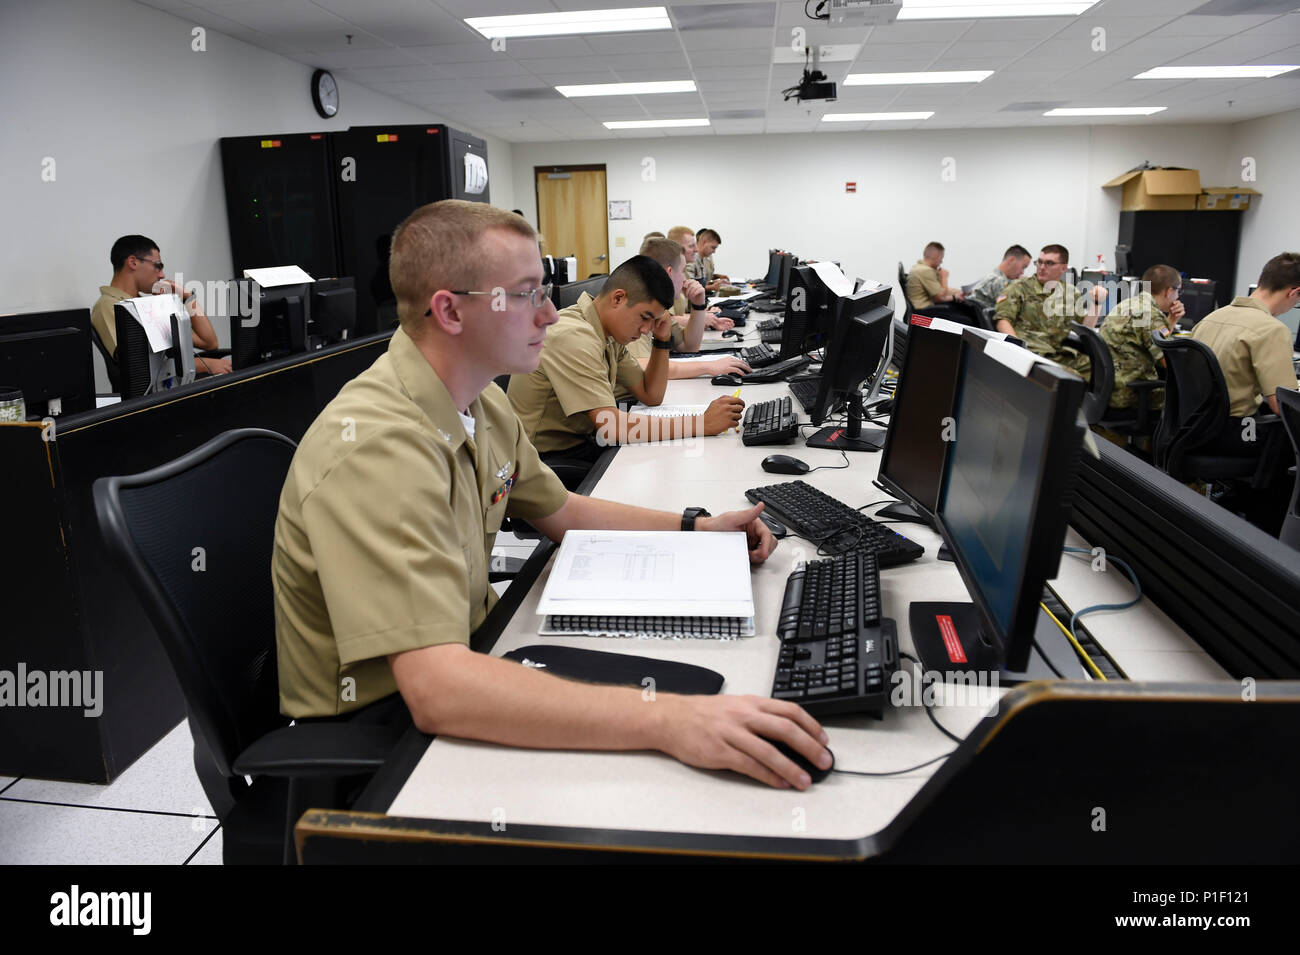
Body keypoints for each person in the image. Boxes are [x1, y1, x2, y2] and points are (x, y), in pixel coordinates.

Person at [273, 200, 828, 790]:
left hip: (467, 653)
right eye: (526, 294)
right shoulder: (377, 447)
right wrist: (666, 721)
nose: (549, 313)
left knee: (699, 677)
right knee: (658, 771)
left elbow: (562, 510)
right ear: (450, 312)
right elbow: (438, 692)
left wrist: (696, 528)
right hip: (382, 726)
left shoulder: (478, 399)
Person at [508, 254, 744, 464]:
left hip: (581, 446)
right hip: (546, 462)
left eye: (653, 321)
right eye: (645, 317)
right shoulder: (574, 336)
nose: (646, 329)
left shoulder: (608, 332)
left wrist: (661, 340)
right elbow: (611, 426)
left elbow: (651, 395)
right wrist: (701, 423)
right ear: (618, 298)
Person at [91, 235, 232, 375]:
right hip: (156, 392)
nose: (162, 275)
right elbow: (136, 363)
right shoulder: (109, 305)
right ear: (133, 262)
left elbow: (208, 342)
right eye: (158, 266)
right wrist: (203, 364)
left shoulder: (147, 305)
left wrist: (187, 297)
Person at [1191, 252, 1300, 423]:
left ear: (1261, 282)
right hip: (1236, 432)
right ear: (1294, 293)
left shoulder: (1210, 318)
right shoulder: (1273, 330)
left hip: (1192, 428)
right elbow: (1282, 406)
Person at [626, 237, 750, 379]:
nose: (685, 278)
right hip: (626, 400)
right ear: (669, 273)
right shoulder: (637, 308)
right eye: (683, 271)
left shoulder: (658, 307)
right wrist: (709, 367)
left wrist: (698, 305)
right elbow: (642, 365)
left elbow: (688, 345)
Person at [994, 244, 1103, 379]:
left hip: (1056, 354)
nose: (1042, 267)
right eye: (1039, 262)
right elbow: (1002, 320)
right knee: (1072, 378)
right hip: (1030, 353)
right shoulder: (1019, 287)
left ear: (1063, 268)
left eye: (1049, 263)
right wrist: (1018, 350)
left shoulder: (1070, 293)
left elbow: (1086, 328)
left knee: (1101, 370)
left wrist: (1097, 304)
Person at [1099, 264, 1183, 415]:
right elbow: (1168, 362)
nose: (1177, 297)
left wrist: (1171, 320)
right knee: (1190, 395)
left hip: (1110, 389)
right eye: (1178, 291)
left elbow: (1154, 337)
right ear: (1169, 291)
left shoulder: (1128, 304)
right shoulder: (1150, 314)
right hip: (1130, 395)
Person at [666, 225, 731, 330]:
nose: (696, 249)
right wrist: (701, 317)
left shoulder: (682, 272)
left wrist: (703, 313)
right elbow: (665, 320)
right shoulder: (668, 276)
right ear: (676, 247)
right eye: (691, 246)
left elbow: (683, 312)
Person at [966, 245, 1032, 312]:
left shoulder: (992, 277)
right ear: (1011, 260)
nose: (1022, 272)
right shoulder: (998, 281)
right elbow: (1014, 310)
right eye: (1023, 267)